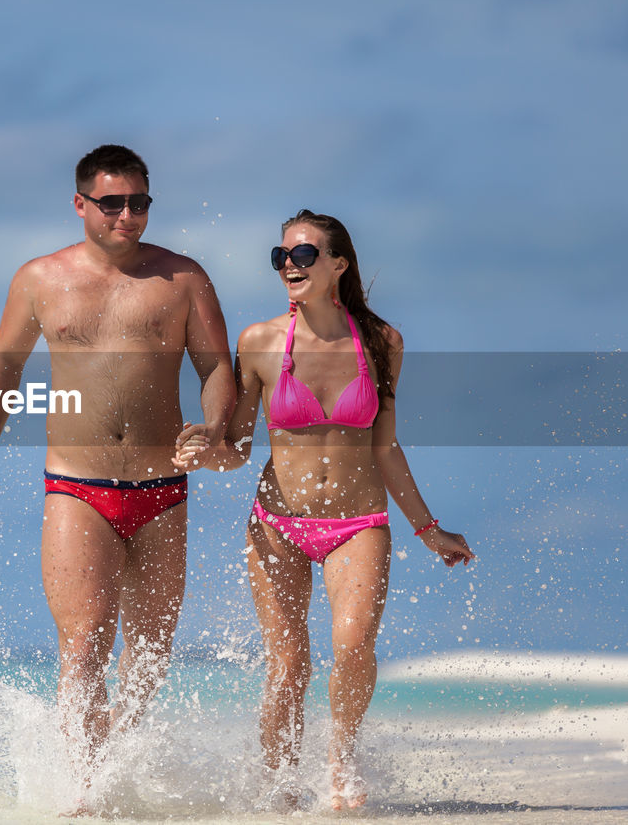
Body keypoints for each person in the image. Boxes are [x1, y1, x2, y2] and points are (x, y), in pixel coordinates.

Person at [174, 210, 473, 810]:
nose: (290, 265)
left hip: (359, 523)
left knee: (354, 645)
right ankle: (280, 787)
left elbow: (385, 446)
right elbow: (236, 449)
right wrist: (205, 452)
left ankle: (341, 764)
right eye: (281, 256)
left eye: (304, 255)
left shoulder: (382, 343)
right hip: (277, 524)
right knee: (288, 665)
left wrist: (428, 528)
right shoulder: (259, 342)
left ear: (338, 264)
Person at [0, 145, 235, 779]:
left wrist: (216, 425)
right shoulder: (40, 279)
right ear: (81, 203)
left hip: (163, 486)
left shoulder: (184, 278)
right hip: (76, 488)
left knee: (148, 658)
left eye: (139, 203)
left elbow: (217, 365)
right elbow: (5, 364)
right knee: (84, 646)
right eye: (113, 203)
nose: (128, 216)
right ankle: (80, 790)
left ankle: (115, 768)